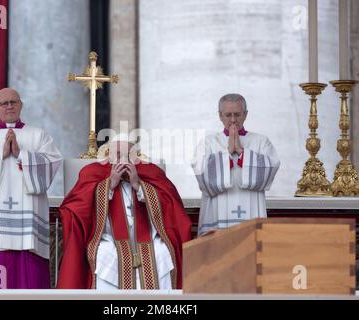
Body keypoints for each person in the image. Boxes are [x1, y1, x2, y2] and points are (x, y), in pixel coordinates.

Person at [57, 135, 192, 289]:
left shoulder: (151, 172)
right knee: (104, 255)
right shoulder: (92, 173)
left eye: (128, 155)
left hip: (149, 238)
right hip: (109, 239)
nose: (123, 161)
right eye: (118, 155)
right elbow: (75, 207)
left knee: (161, 252)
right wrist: (109, 185)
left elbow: (171, 205)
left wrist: (139, 185)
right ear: (109, 155)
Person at [0, 88, 62, 289]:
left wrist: (21, 154)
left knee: (30, 274)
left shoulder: (39, 136)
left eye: (13, 102)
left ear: (21, 105)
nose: (9, 106)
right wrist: (1, 153)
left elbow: (52, 163)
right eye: (4, 103)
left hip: (29, 228)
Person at [192, 93, 280, 236]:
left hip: (251, 214)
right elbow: (201, 172)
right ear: (220, 115)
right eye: (228, 115)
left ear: (245, 115)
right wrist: (228, 153)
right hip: (217, 216)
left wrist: (240, 152)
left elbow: (269, 169)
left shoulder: (261, 141)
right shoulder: (208, 142)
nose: (233, 120)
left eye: (237, 115)